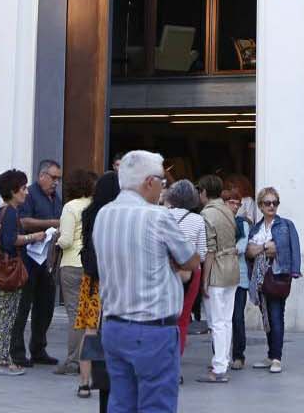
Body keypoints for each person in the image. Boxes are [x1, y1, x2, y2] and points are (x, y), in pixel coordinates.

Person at [94, 149, 198, 413]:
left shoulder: (104, 214)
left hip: (114, 326)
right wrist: (172, 261)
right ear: (149, 182)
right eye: (162, 182)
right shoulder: (157, 216)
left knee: (121, 401)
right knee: (156, 404)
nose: (163, 188)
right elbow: (191, 260)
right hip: (152, 329)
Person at [10, 159, 65, 368]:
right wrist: (52, 223)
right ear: (42, 176)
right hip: (28, 258)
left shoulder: (56, 198)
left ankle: (38, 349)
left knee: (46, 306)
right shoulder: (29, 194)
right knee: (23, 306)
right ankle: (17, 352)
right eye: (53, 178)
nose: (56, 182)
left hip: (48, 259)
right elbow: (23, 221)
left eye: (58, 179)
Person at [0, 168, 41, 377]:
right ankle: (1, 361)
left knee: (5, 314)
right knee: (5, 316)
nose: (26, 192)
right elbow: (10, 241)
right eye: (23, 188)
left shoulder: (5, 211)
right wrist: (33, 237)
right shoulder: (10, 212)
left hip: (4, 269)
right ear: (13, 191)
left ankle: (4, 358)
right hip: (9, 270)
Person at [244, 186, 301, 373]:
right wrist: (264, 247)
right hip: (259, 279)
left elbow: (292, 248)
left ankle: (277, 358)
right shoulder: (255, 228)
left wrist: (294, 271)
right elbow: (249, 252)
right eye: (267, 203)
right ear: (260, 206)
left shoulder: (286, 225)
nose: (271, 206)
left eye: (275, 203)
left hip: (278, 275)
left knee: (276, 316)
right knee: (266, 318)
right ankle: (270, 355)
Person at [78, 171, 121, 403]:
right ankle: (111, 378)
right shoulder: (116, 216)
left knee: (90, 330)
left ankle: (84, 381)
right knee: (113, 328)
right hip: (113, 278)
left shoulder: (88, 213)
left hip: (91, 279)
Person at [198, 174, 241, 384]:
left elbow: (210, 250)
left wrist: (204, 280)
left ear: (204, 192)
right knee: (226, 320)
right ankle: (223, 360)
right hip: (232, 268)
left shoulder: (207, 214)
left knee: (216, 321)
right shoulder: (227, 211)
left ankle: (219, 366)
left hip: (217, 270)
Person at [57, 167, 99, 375]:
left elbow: (66, 241)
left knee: (75, 315)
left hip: (72, 264)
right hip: (91, 264)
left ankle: (73, 361)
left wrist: (55, 238)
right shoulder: (96, 206)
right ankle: (90, 359)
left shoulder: (70, 207)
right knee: (90, 315)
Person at [164, 180, 209, 355]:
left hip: (165, 269)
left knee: (164, 316)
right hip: (190, 271)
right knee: (183, 318)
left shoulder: (162, 215)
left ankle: (164, 355)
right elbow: (202, 254)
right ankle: (176, 358)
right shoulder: (198, 220)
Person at [222, 175, 256, 369]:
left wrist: (224, 250)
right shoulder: (218, 222)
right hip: (221, 276)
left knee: (237, 318)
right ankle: (221, 355)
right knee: (221, 320)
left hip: (240, 276)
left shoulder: (242, 223)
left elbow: (241, 247)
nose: (235, 207)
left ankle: (238, 355)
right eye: (231, 203)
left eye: (238, 203)